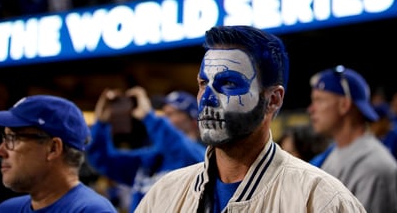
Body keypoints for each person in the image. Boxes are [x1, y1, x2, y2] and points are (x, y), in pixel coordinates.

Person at [135, 25, 366, 212]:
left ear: (273, 99)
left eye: (228, 83)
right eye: (204, 84)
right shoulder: (163, 195)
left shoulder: (320, 199)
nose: (207, 99)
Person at [0, 94, 117, 213]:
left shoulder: (91, 210)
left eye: (13, 138)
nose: (0, 152)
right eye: (4, 138)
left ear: (53, 148)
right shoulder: (6, 209)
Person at [85, 87, 206, 212]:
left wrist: (149, 116)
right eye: (164, 113)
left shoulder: (199, 158)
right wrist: (101, 122)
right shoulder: (149, 159)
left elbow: (178, 146)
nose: (164, 118)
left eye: (172, 113)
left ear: (193, 121)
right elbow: (102, 159)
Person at [308, 65, 397, 213]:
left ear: (344, 105)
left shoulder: (375, 166)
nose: (311, 109)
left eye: (319, 100)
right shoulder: (334, 152)